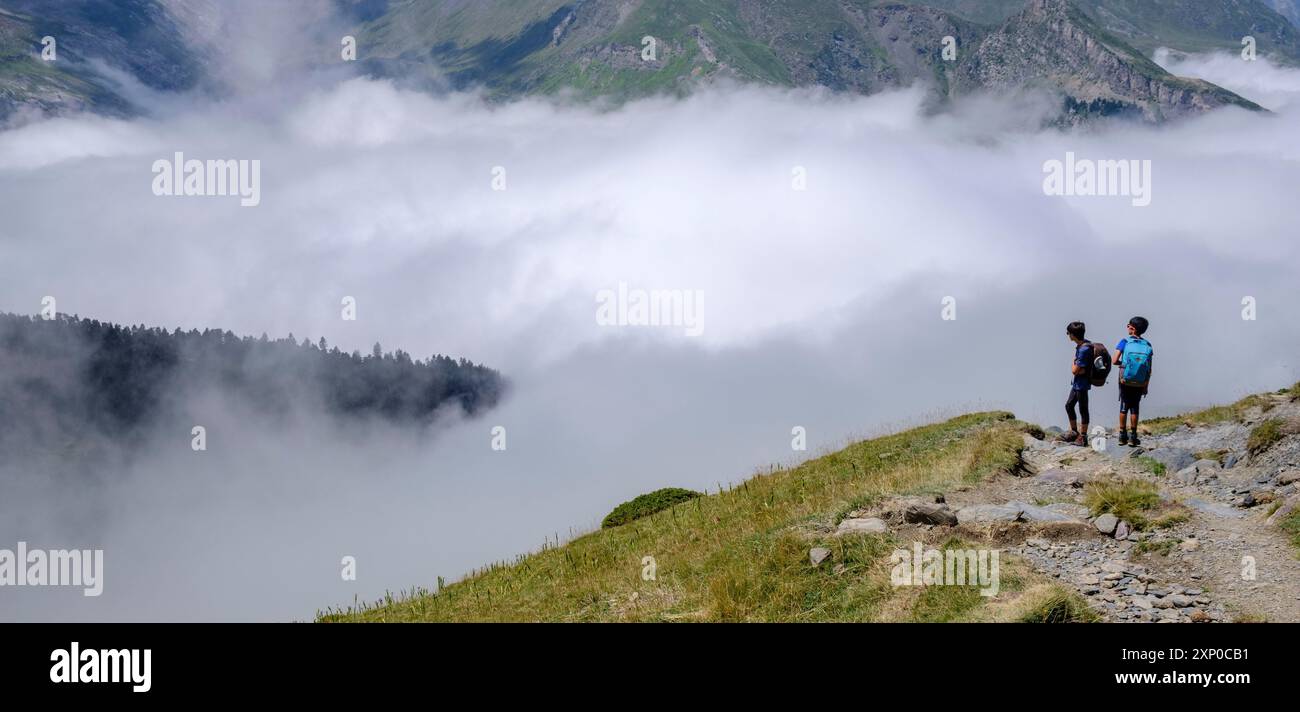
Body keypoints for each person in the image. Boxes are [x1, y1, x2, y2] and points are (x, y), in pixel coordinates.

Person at [1114, 316, 1153, 447]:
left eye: (1128, 325)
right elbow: (1149, 369)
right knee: (1135, 408)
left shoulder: (1124, 341)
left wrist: (1124, 364)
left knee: (1124, 406)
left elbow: (1114, 361)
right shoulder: (1148, 345)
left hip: (1125, 380)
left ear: (1133, 328)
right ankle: (1133, 436)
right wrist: (1145, 386)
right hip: (1140, 382)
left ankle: (1122, 435)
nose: (1127, 327)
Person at [1062, 321, 1091, 446]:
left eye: (1068, 333)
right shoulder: (1083, 345)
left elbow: (1075, 370)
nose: (1068, 335)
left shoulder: (1084, 349)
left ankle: (1083, 437)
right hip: (1078, 383)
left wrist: (1074, 362)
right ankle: (1074, 433)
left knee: (1083, 409)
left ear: (1073, 334)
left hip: (1082, 383)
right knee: (1069, 405)